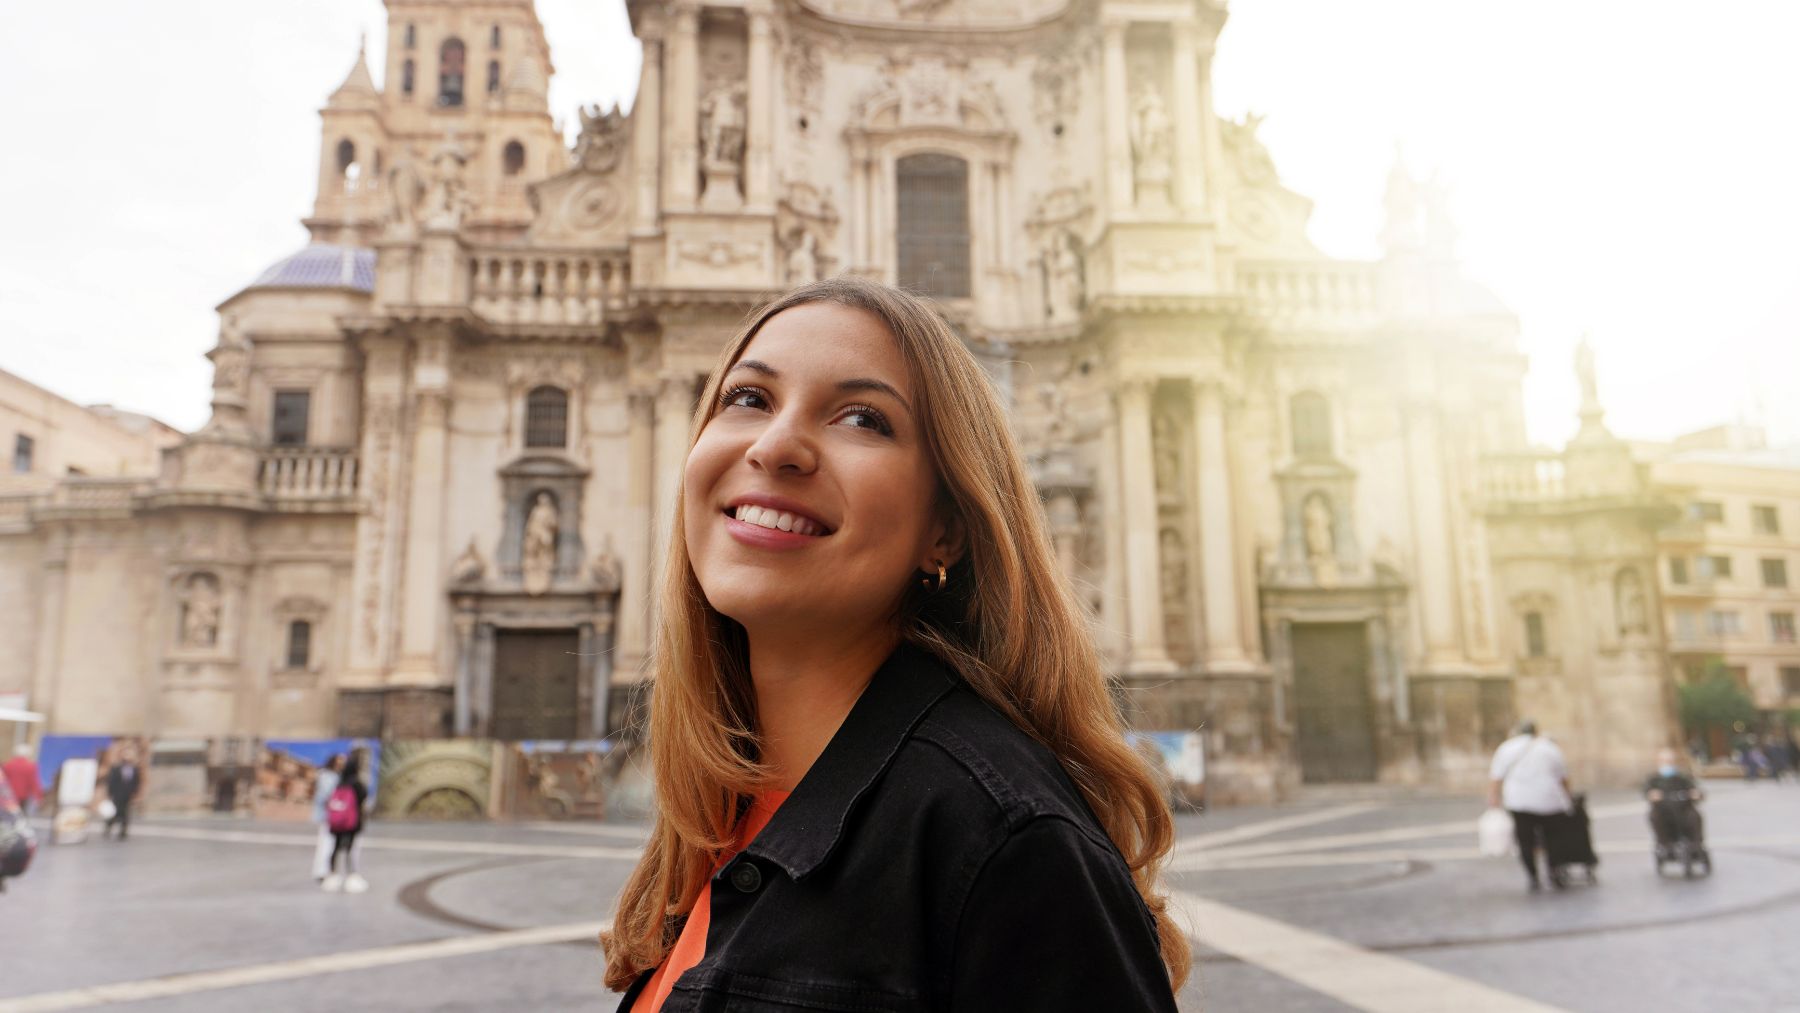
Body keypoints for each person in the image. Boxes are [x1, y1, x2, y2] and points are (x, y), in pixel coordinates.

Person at [603, 278, 1186, 1010]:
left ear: (945, 528)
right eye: (748, 398)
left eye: (862, 417)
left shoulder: (1009, 843)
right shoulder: (722, 813)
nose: (776, 444)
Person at [1488, 719, 1571, 891]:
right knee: (1553, 839)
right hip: (1549, 800)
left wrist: (1494, 798)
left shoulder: (1506, 748)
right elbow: (1563, 776)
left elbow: (1496, 777)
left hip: (1519, 801)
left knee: (1525, 840)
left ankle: (1533, 876)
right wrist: (1568, 796)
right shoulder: (1549, 748)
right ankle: (1553, 872)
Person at [322, 753, 369, 894]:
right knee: (350, 849)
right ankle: (351, 876)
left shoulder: (339, 782)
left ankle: (332, 874)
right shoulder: (357, 784)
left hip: (337, 822)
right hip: (352, 822)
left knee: (335, 848)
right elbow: (363, 798)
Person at [1644, 746, 1704, 849]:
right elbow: (1647, 792)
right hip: (1663, 810)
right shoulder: (1654, 779)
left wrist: (1695, 794)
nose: (1668, 763)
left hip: (1683, 809)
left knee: (1694, 816)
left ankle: (1696, 844)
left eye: (1670, 761)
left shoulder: (1683, 777)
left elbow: (1695, 790)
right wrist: (1652, 795)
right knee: (1654, 816)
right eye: (1665, 761)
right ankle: (1665, 844)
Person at [310, 754, 345, 883]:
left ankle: (328, 870)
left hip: (334, 815)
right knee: (326, 844)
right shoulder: (326, 775)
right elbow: (327, 795)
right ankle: (321, 871)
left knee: (332, 845)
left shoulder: (336, 776)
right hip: (328, 815)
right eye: (339, 761)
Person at [104, 747, 142, 841]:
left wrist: (135, 794)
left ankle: (123, 831)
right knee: (115, 813)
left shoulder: (134, 769)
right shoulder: (116, 768)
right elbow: (111, 781)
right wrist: (110, 793)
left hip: (128, 795)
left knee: (125, 813)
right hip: (117, 795)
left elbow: (136, 782)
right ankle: (108, 826)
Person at [3, 744, 43, 818]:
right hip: (23, 796)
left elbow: (3, 781)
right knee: (20, 817)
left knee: (7, 817)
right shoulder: (31, 766)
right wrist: (38, 796)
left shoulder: (7, 765)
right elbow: (34, 783)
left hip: (8, 795)